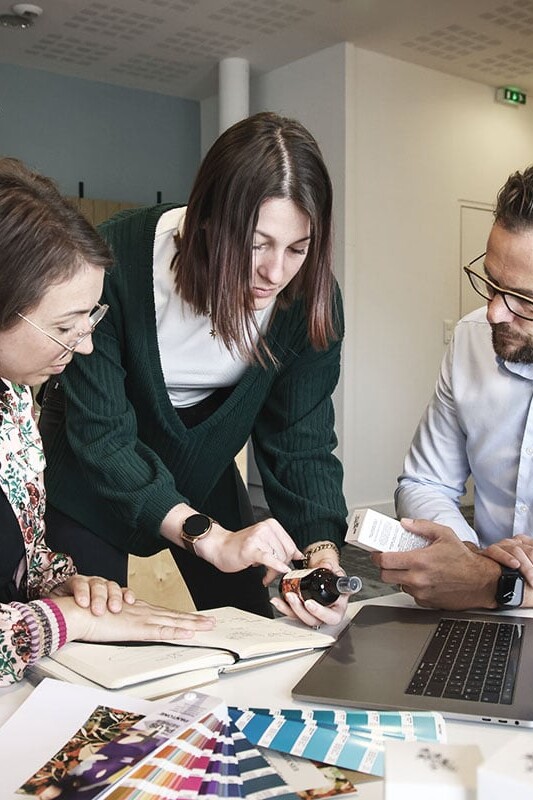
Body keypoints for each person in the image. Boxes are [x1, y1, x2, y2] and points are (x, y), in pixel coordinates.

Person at [38, 111, 349, 627]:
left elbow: (302, 439)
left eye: (298, 247)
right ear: (207, 219)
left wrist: (322, 552)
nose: (275, 272)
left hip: (200, 467)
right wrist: (210, 538)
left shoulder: (306, 297)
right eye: (256, 244)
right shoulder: (115, 262)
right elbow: (103, 441)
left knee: (250, 626)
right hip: (89, 471)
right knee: (92, 635)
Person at [0, 157, 218, 686]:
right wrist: (62, 620)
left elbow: (24, 557)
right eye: (66, 326)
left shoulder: (14, 404)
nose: (86, 344)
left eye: (92, 317)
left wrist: (67, 587)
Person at [373, 165, 533, 610]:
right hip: (488, 613)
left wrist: (493, 582)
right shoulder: (471, 340)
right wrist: (465, 559)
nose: (494, 313)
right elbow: (425, 480)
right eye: (492, 282)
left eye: (523, 298)